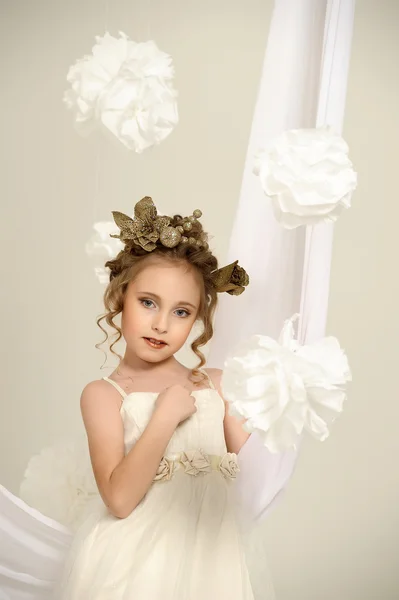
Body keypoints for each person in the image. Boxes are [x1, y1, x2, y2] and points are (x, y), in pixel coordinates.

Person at [56, 195, 269, 600]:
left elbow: (261, 467)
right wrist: (164, 417)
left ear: (198, 319)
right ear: (121, 297)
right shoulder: (104, 395)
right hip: (134, 567)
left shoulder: (215, 385)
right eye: (148, 302)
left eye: (182, 312)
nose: (160, 323)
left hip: (212, 561)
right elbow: (119, 500)